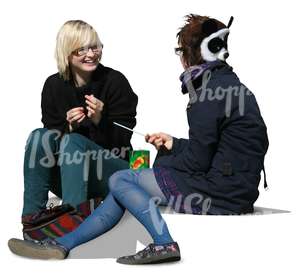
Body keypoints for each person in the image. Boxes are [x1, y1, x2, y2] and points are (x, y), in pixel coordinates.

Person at [8, 14, 268, 264]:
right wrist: (174, 145)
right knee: (46, 139)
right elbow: (220, 148)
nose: (90, 53)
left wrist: (155, 165)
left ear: (195, 52)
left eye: (181, 51)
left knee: (122, 177)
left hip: (222, 191)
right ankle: (56, 239)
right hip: (234, 186)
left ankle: (161, 241)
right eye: (81, 49)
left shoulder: (206, 95)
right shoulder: (227, 86)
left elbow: (198, 162)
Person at [18, 20, 138, 235]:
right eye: (81, 49)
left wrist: (100, 119)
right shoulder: (53, 86)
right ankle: (32, 218)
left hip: (112, 173)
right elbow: (51, 142)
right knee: (39, 136)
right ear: (67, 53)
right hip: (70, 177)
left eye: (95, 46)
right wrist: (70, 128)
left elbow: (122, 141)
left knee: (73, 142)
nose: (90, 54)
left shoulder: (115, 81)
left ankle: (73, 220)